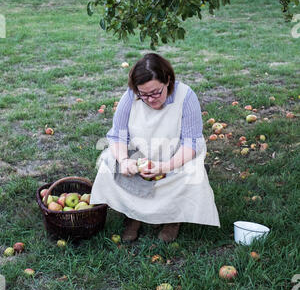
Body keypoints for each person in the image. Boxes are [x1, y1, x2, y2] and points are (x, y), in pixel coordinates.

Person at [90, 53, 220, 242]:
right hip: (141, 152)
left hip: (175, 155)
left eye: (156, 92)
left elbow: (191, 142)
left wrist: (164, 167)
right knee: (110, 161)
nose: (150, 99)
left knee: (191, 172)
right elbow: (117, 134)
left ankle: (173, 219)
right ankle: (134, 215)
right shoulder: (131, 96)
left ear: (167, 80)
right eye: (144, 94)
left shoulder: (186, 96)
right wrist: (125, 160)